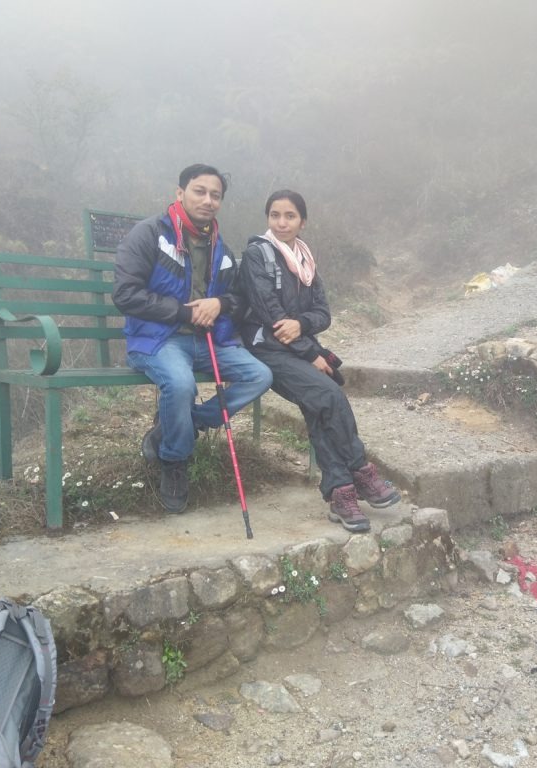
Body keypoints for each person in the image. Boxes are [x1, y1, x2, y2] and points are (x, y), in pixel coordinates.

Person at [112, 164, 273, 514]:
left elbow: (239, 299)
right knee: (181, 385)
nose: (208, 200)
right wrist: (184, 312)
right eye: (199, 191)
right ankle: (175, 459)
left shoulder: (220, 248)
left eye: (215, 195)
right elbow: (125, 294)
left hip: (209, 342)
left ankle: (184, 422)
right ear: (179, 193)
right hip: (157, 340)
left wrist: (220, 303)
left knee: (260, 375)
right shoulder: (149, 234)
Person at [238, 190, 399, 533]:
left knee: (320, 400)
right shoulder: (258, 255)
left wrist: (304, 328)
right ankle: (359, 471)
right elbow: (271, 315)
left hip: (298, 345)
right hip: (266, 348)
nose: (281, 222)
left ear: (302, 221)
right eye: (275, 215)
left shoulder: (306, 261)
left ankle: (340, 494)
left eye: (290, 216)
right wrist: (310, 353)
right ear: (267, 218)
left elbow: (323, 314)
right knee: (328, 395)